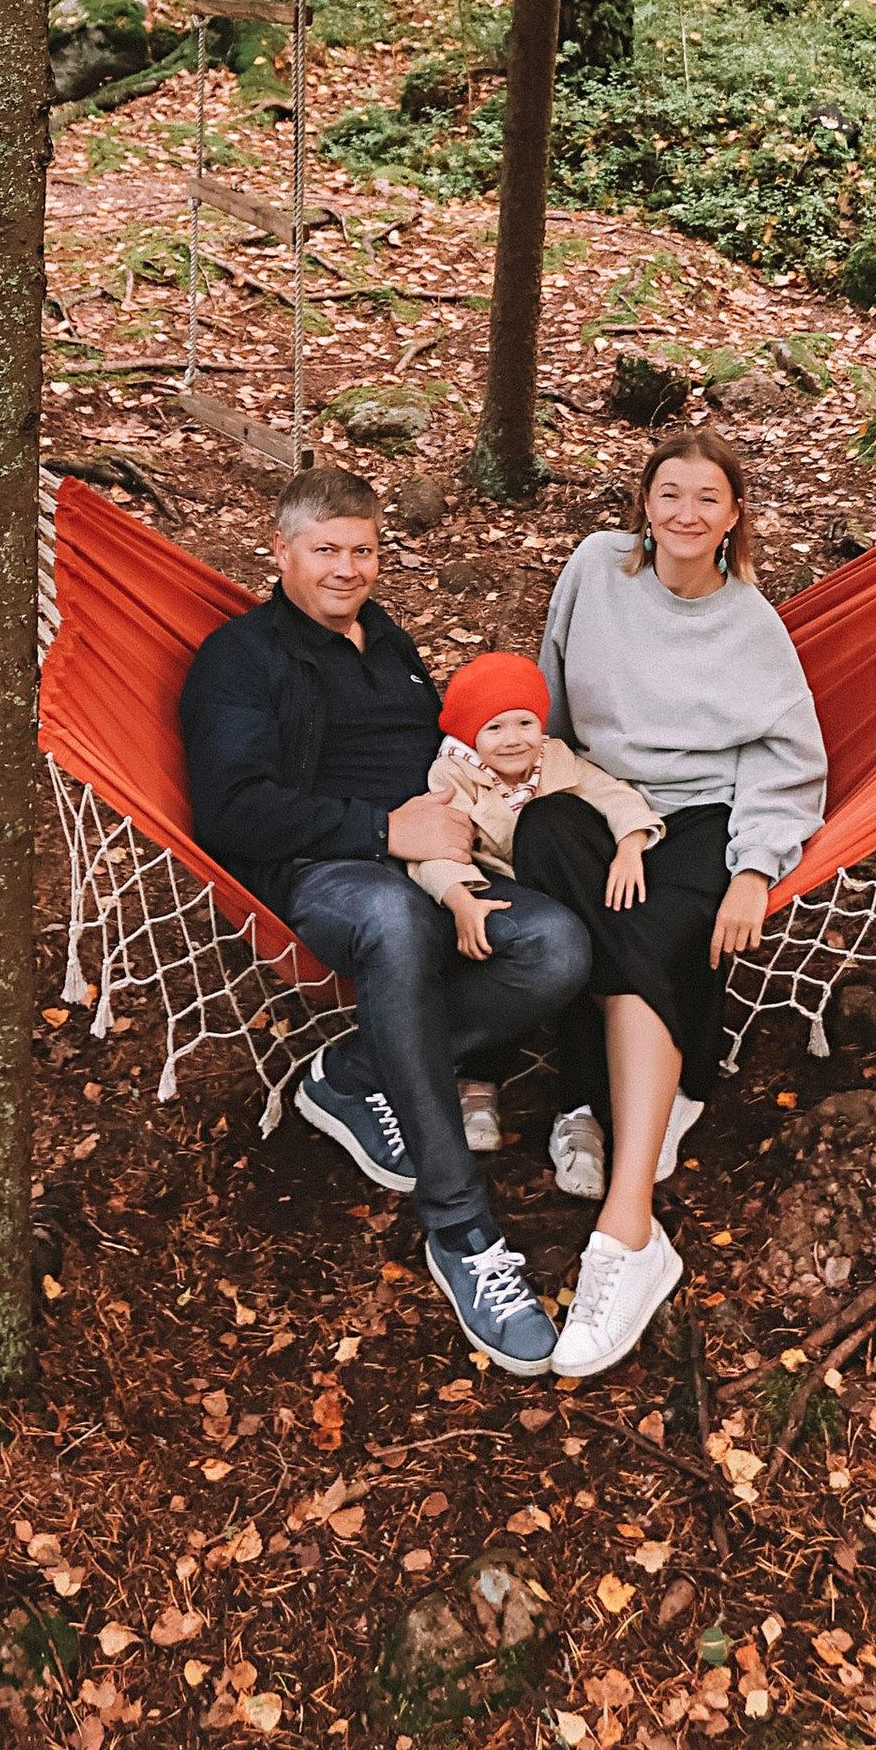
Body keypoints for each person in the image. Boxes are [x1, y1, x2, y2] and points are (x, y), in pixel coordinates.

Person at [179, 465, 589, 1375]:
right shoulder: (240, 659)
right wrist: (379, 828)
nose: (347, 568)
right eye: (325, 550)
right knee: (399, 921)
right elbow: (230, 809)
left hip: (434, 863)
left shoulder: (388, 643)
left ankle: (354, 1072)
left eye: (363, 550)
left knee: (557, 944)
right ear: (280, 551)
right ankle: (461, 1231)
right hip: (320, 872)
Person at [517, 427, 828, 1381]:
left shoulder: (753, 626)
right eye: (668, 494)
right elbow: (555, 692)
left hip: (701, 817)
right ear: (643, 506)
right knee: (537, 846)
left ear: (734, 517)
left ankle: (628, 1228)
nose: (686, 513)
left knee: (645, 927)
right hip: (598, 795)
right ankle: (662, 1092)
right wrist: (533, 784)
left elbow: (789, 759)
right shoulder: (593, 573)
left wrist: (752, 869)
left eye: (707, 498)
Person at [405, 648, 665, 951]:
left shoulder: (552, 756)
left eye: (525, 724)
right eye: (495, 728)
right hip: (502, 881)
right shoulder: (455, 774)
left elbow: (614, 795)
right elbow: (437, 850)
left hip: (565, 877)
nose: (513, 740)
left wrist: (629, 849)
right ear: (472, 735)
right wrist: (461, 903)